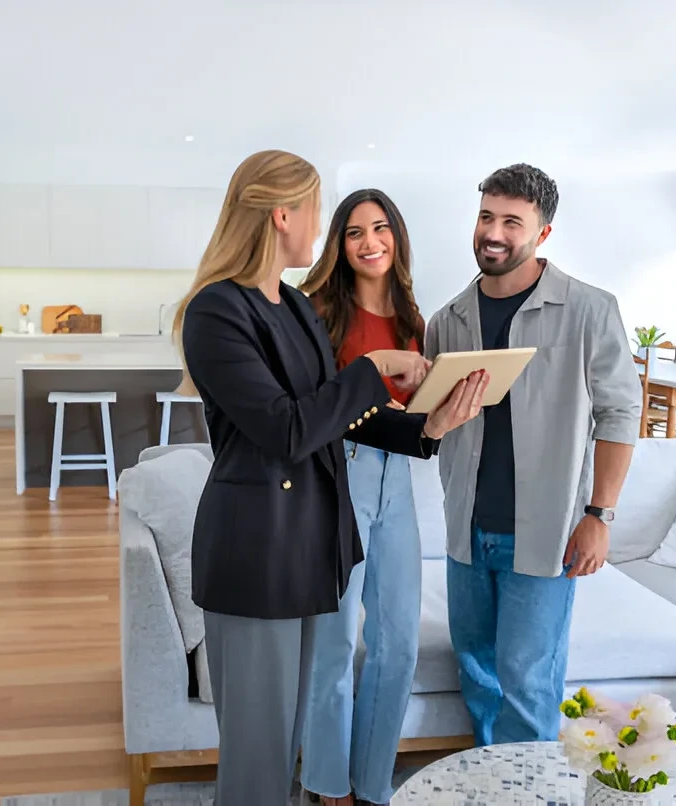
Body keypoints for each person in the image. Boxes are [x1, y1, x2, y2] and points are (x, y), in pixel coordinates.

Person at [176, 150, 488, 806]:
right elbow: (286, 429)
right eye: (318, 210)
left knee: (289, 735)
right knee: (258, 763)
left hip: (312, 545)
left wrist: (426, 429)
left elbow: (337, 419)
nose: (321, 226)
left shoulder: (290, 305)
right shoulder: (216, 311)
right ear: (282, 213)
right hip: (258, 552)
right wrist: (371, 367)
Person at [424, 163, 641, 747]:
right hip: (466, 531)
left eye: (512, 222)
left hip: (544, 535)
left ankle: (530, 790)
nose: (494, 233)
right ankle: (492, 781)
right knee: (475, 673)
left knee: (527, 681)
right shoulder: (448, 320)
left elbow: (620, 415)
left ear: (542, 233)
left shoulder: (590, 310)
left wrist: (600, 516)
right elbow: (431, 422)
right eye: (486, 216)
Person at [296, 189, 429, 806]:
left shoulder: (413, 317)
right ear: (339, 245)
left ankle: (374, 784)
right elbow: (321, 412)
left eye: (380, 229)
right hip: (338, 475)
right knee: (335, 640)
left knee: (399, 642)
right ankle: (328, 785)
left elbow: (413, 411)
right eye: (354, 232)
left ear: (396, 236)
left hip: (398, 476)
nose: (369, 242)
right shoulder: (318, 311)